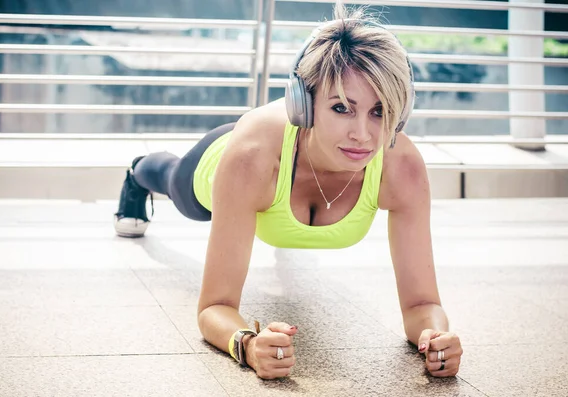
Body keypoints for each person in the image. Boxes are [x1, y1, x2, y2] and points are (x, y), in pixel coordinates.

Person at [113, 2, 463, 380]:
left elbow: (422, 303)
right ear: (304, 104)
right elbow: (214, 306)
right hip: (230, 164)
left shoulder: (401, 166)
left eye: (380, 112)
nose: (363, 135)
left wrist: (435, 333)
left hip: (276, 173)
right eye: (342, 107)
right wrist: (246, 343)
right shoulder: (250, 159)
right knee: (176, 186)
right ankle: (138, 171)